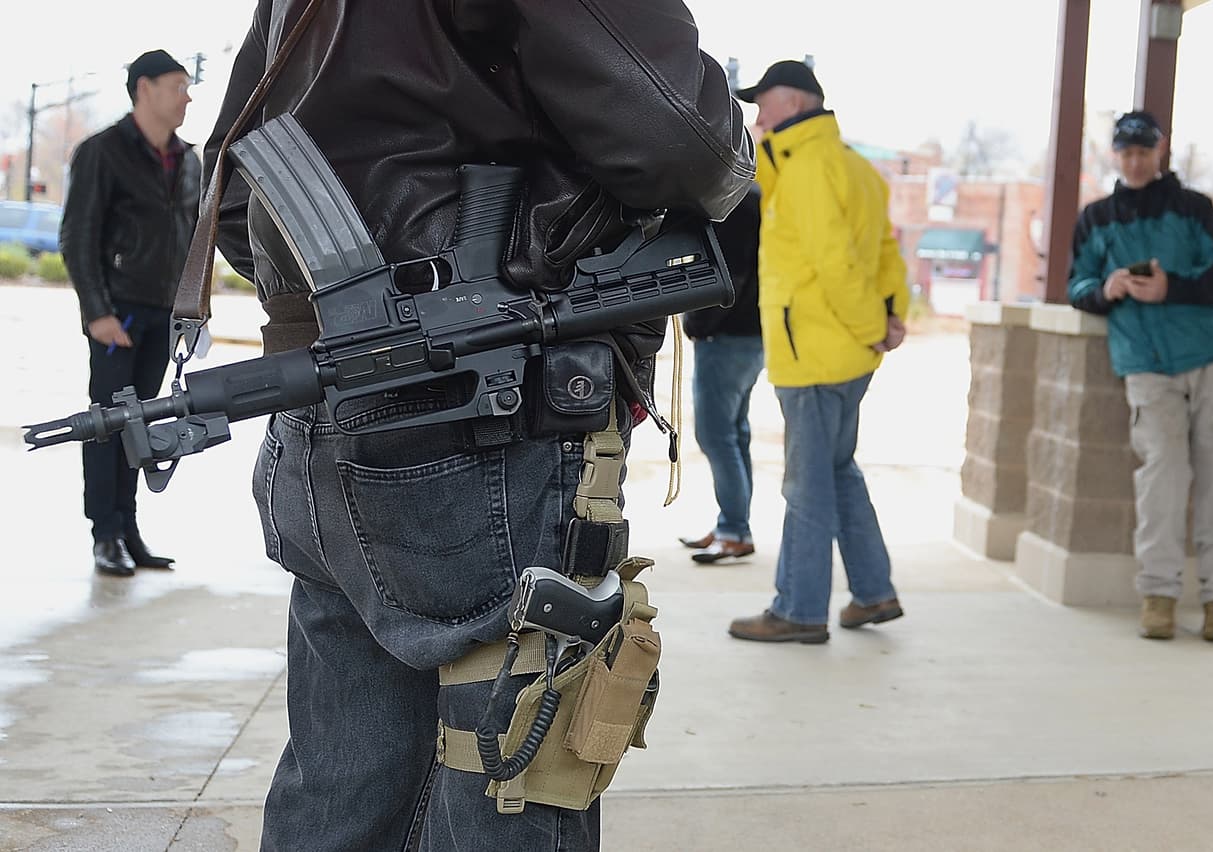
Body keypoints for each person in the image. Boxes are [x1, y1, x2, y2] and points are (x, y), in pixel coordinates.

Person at [205, 3, 753, 850]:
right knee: (510, 776)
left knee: (343, 788)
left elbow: (237, 186)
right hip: (489, 426)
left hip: (327, 410)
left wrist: (363, 301)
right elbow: (686, 142)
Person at [725, 60, 909, 645]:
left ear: (794, 102)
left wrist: (871, 325)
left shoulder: (807, 169)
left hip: (814, 353)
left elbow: (837, 263)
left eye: (764, 102)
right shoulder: (848, 164)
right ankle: (874, 592)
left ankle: (799, 610)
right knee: (837, 470)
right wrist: (890, 317)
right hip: (845, 353)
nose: (757, 114)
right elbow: (886, 252)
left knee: (806, 485)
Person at [1068, 110, 1213, 644]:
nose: (1135, 161)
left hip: (1211, 357)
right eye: (1126, 153)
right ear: (1115, 154)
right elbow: (1077, 285)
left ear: (1160, 150)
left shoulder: (1194, 208)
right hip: (1145, 365)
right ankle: (1158, 596)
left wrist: (1174, 287)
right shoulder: (1096, 218)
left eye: (1144, 152)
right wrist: (1107, 289)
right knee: (1160, 482)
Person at [60, 50, 200, 578]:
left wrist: (192, 309)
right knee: (107, 424)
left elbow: (193, 240)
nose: (187, 97)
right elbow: (78, 236)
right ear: (145, 88)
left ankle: (130, 528)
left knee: (141, 424)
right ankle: (105, 533)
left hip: (164, 315)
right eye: (177, 85)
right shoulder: (103, 152)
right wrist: (97, 312)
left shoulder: (188, 160)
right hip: (118, 315)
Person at [678, 184, 764, 564]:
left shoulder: (734, 202)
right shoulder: (754, 197)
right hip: (751, 333)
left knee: (715, 435)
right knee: (735, 434)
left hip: (727, 335)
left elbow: (730, 273)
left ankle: (733, 530)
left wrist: (699, 323)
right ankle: (734, 526)